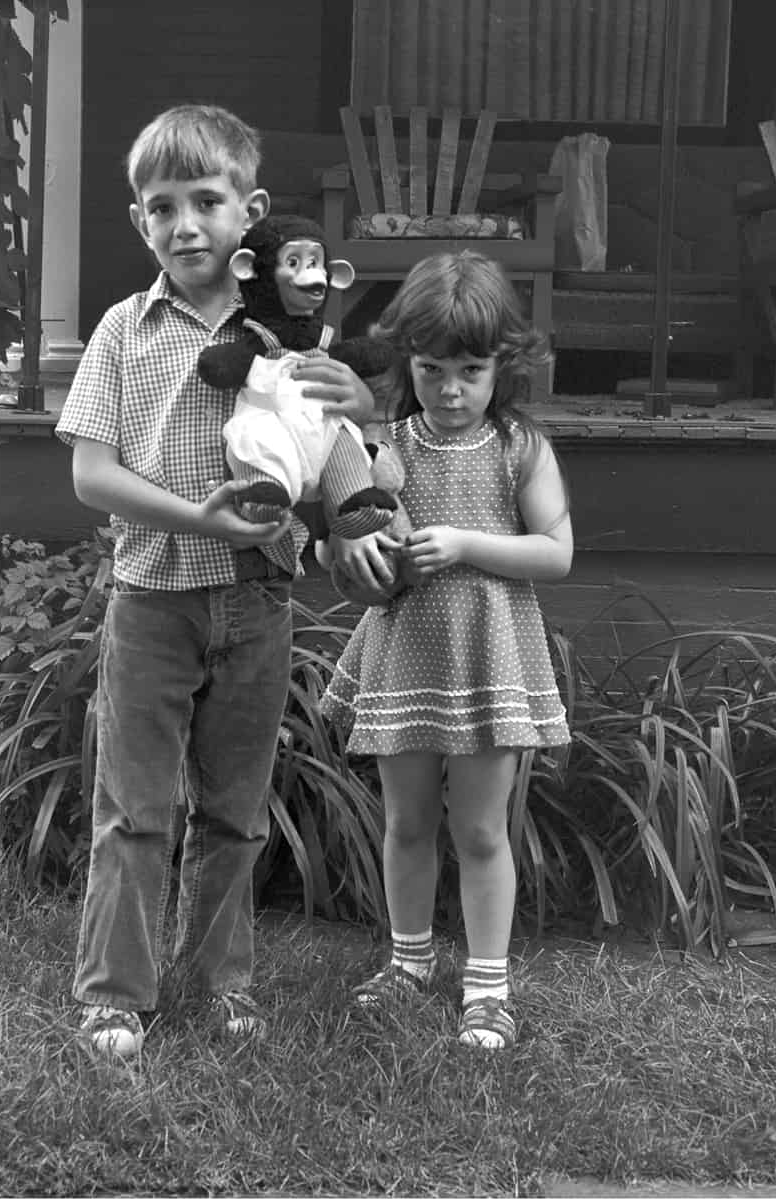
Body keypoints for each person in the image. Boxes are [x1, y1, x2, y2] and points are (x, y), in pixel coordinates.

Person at [55, 104, 377, 1061]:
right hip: (153, 595)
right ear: (139, 222)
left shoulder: (293, 333)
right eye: (162, 207)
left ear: (253, 216)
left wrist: (361, 409)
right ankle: (115, 994)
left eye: (207, 200)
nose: (185, 223)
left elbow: (340, 449)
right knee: (135, 808)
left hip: (259, 600)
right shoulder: (124, 331)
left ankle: (221, 982)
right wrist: (199, 516)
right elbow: (91, 473)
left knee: (236, 810)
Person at [320, 251, 573, 1052]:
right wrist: (348, 554)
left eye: (472, 370)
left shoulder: (516, 447)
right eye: (432, 370)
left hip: (488, 662)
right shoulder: (381, 447)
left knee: (480, 830)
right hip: (404, 655)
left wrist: (464, 542)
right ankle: (408, 963)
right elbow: (345, 548)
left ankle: (489, 988)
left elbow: (557, 552)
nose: (452, 390)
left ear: (505, 365)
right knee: (405, 822)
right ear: (406, 363)